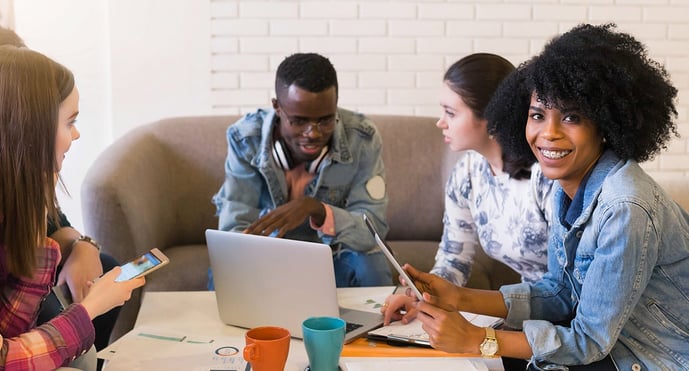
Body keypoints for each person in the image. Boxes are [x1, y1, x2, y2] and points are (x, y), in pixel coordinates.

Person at [388, 23, 689, 370]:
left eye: (572, 117)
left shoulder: (625, 207)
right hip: (611, 348)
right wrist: (457, 297)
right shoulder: (568, 188)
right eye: (537, 115)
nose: (548, 133)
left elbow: (589, 340)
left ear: (605, 124)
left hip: (655, 358)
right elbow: (559, 293)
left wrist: (478, 339)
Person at [0, 45, 145, 370]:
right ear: (30, 128)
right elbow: (7, 359)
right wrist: (90, 308)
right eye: (70, 122)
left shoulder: (20, 197)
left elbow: (11, 329)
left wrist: (38, 226)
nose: (76, 134)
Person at [383, 54, 553, 326]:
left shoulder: (546, 176)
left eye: (450, 113)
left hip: (571, 316)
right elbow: (454, 258)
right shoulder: (467, 174)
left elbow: (572, 286)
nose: (441, 122)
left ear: (491, 118)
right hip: (529, 311)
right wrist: (422, 297)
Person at [212, 52, 391, 288]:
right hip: (268, 257)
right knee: (225, 267)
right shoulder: (245, 139)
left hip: (333, 255)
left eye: (325, 120)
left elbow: (372, 230)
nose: (313, 133)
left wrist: (319, 211)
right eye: (299, 121)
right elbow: (233, 230)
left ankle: (377, 326)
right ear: (277, 107)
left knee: (372, 263)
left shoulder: (363, 138)